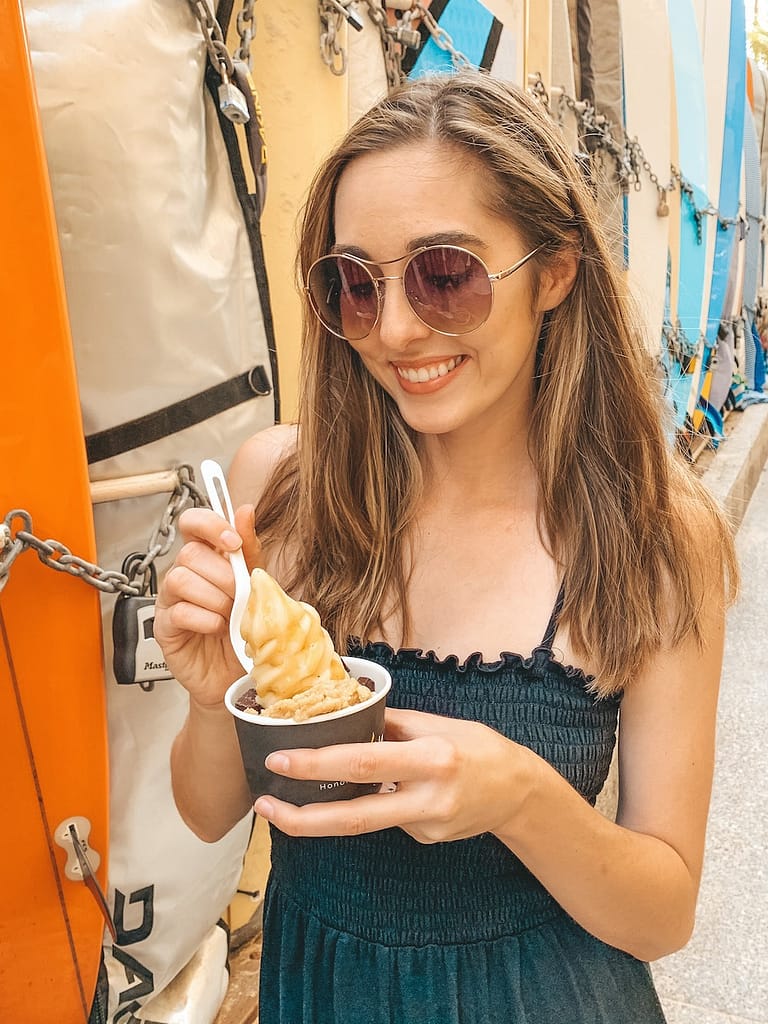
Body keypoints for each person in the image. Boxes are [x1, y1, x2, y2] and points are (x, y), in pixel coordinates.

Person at [154, 70, 738, 1023]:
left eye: (446, 273)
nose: (392, 330)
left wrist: (520, 799)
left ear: (553, 271)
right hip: (320, 993)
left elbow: (662, 910)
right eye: (355, 283)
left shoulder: (652, 537)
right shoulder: (283, 490)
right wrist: (219, 691)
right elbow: (207, 808)